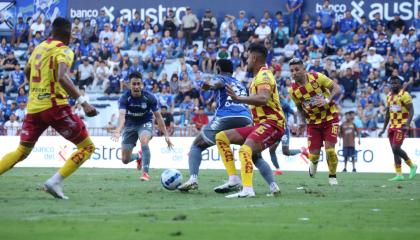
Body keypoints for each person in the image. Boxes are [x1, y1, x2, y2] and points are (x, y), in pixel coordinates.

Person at [0, 17, 98, 199]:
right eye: (72, 33)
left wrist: (37, 89)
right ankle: (55, 181)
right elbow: (61, 76)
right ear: (67, 33)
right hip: (55, 107)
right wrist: (83, 102)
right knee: (87, 147)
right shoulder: (64, 50)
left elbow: (27, 71)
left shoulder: (39, 47)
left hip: (34, 107)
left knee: (21, 151)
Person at [177, 59, 280, 196]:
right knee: (254, 155)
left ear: (218, 69)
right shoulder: (239, 83)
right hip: (246, 118)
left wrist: (208, 85)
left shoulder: (219, 78)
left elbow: (216, 83)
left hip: (225, 117)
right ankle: (273, 186)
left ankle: (193, 179)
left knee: (197, 146)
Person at [215, 44, 285, 198]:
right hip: (260, 125)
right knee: (221, 137)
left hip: (273, 123)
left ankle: (248, 190)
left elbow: (263, 98)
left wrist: (239, 99)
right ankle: (234, 179)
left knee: (245, 151)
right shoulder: (257, 78)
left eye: (247, 57)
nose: (246, 61)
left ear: (254, 58)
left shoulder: (264, 75)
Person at [288, 58, 342, 185]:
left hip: (330, 118)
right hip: (312, 123)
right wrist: (301, 122)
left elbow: (337, 89)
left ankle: (332, 176)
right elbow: (300, 108)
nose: (294, 73)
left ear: (304, 69)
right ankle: (314, 162)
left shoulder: (317, 77)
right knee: (314, 155)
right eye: (291, 71)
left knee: (330, 150)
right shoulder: (293, 91)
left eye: (297, 69)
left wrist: (327, 100)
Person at [112, 71, 173, 181]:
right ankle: (138, 156)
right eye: (134, 84)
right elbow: (122, 116)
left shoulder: (149, 97)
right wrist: (117, 130)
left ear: (142, 84)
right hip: (130, 125)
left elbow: (158, 117)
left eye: (138, 84)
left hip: (145, 123)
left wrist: (166, 135)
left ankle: (145, 173)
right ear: (129, 85)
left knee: (144, 140)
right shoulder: (124, 98)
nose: (136, 86)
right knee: (125, 160)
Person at [379, 76, 417, 181]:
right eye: (392, 83)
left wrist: (408, 124)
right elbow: (388, 113)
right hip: (392, 126)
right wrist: (383, 128)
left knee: (396, 147)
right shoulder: (389, 96)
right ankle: (399, 174)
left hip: (402, 125)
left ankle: (412, 165)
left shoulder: (405, 95)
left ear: (400, 84)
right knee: (394, 151)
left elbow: (411, 110)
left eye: (396, 83)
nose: (394, 85)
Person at [268, 98, 309, 175]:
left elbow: (294, 113)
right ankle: (278, 169)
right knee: (271, 150)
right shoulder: (268, 101)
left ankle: (302, 151)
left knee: (286, 152)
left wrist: (295, 125)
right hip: (274, 130)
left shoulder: (283, 103)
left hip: (283, 130)